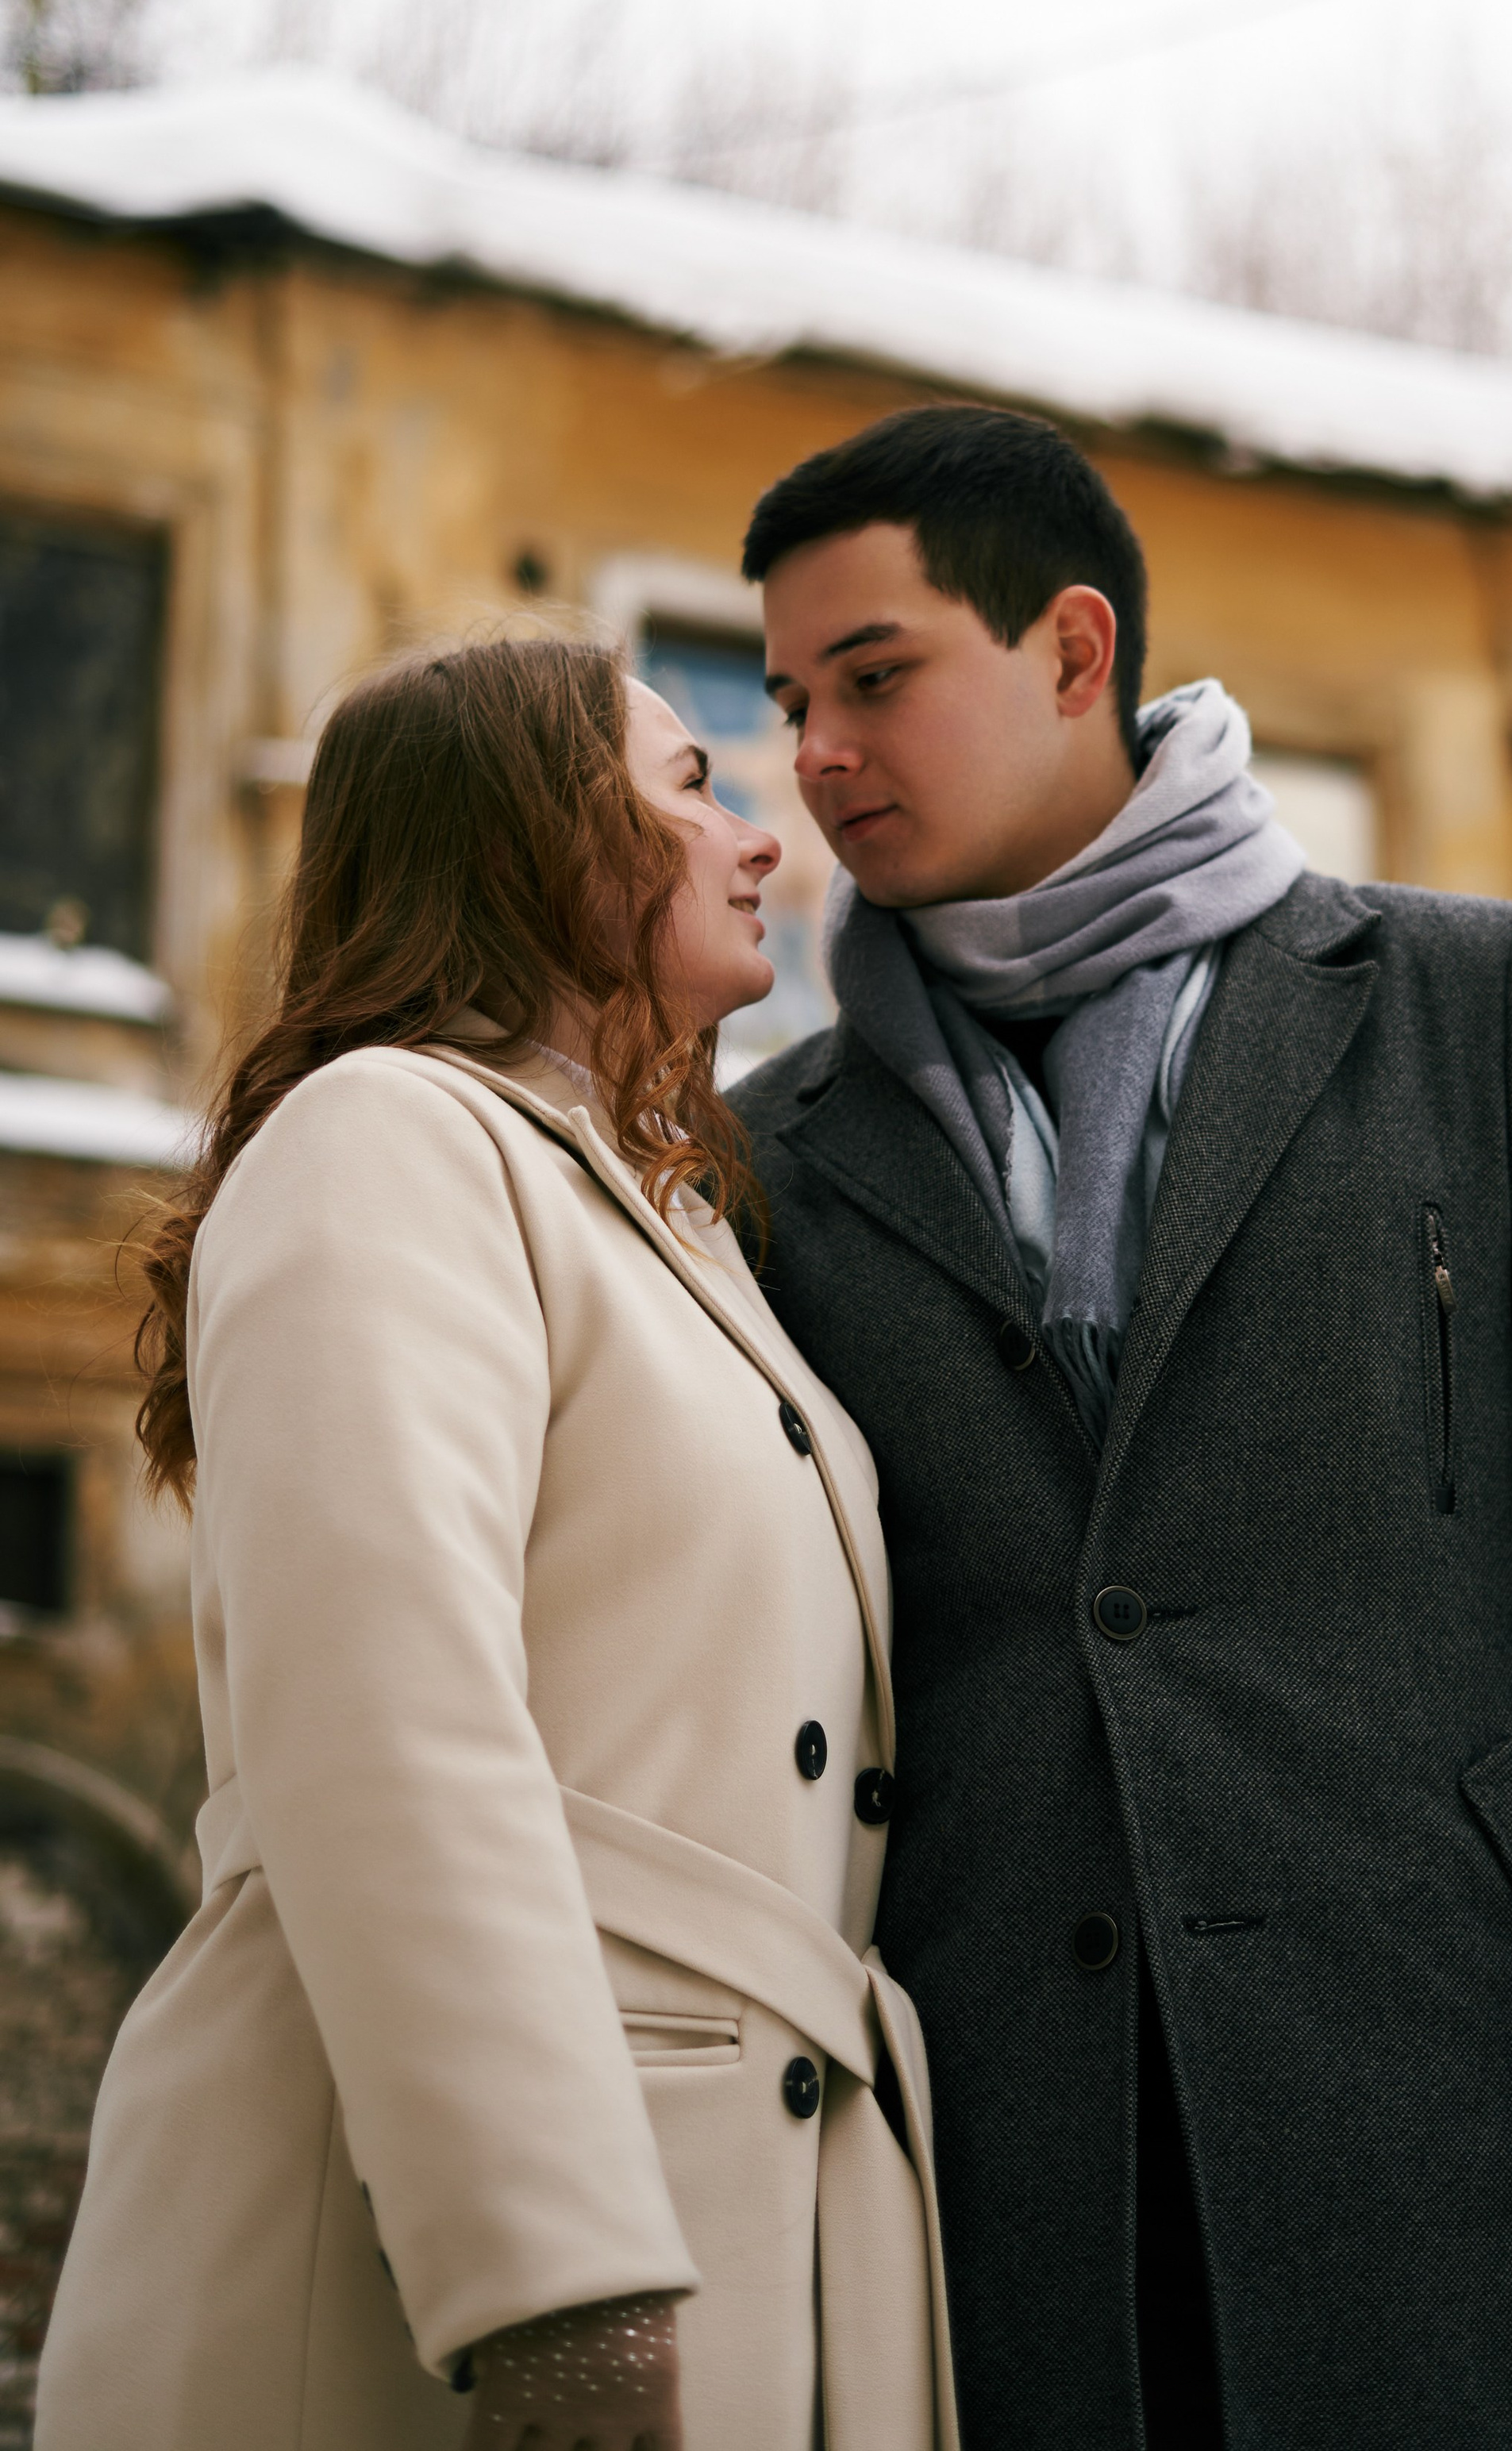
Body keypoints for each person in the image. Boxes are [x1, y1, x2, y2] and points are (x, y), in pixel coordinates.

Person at [731, 404, 1512, 2451]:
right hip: (1007, 2204)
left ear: (1073, 651)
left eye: (875, 679)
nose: (813, 753)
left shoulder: (1470, 1007)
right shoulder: (770, 1160)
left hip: (1484, 2132)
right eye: (786, 700)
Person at [37, 637, 956, 2451]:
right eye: (693, 784)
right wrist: (557, 2274)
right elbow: (386, 1724)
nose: (759, 835)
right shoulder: (386, 1134)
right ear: (538, 833)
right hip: (457, 2256)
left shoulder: (662, 1223)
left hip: (740, 2197)